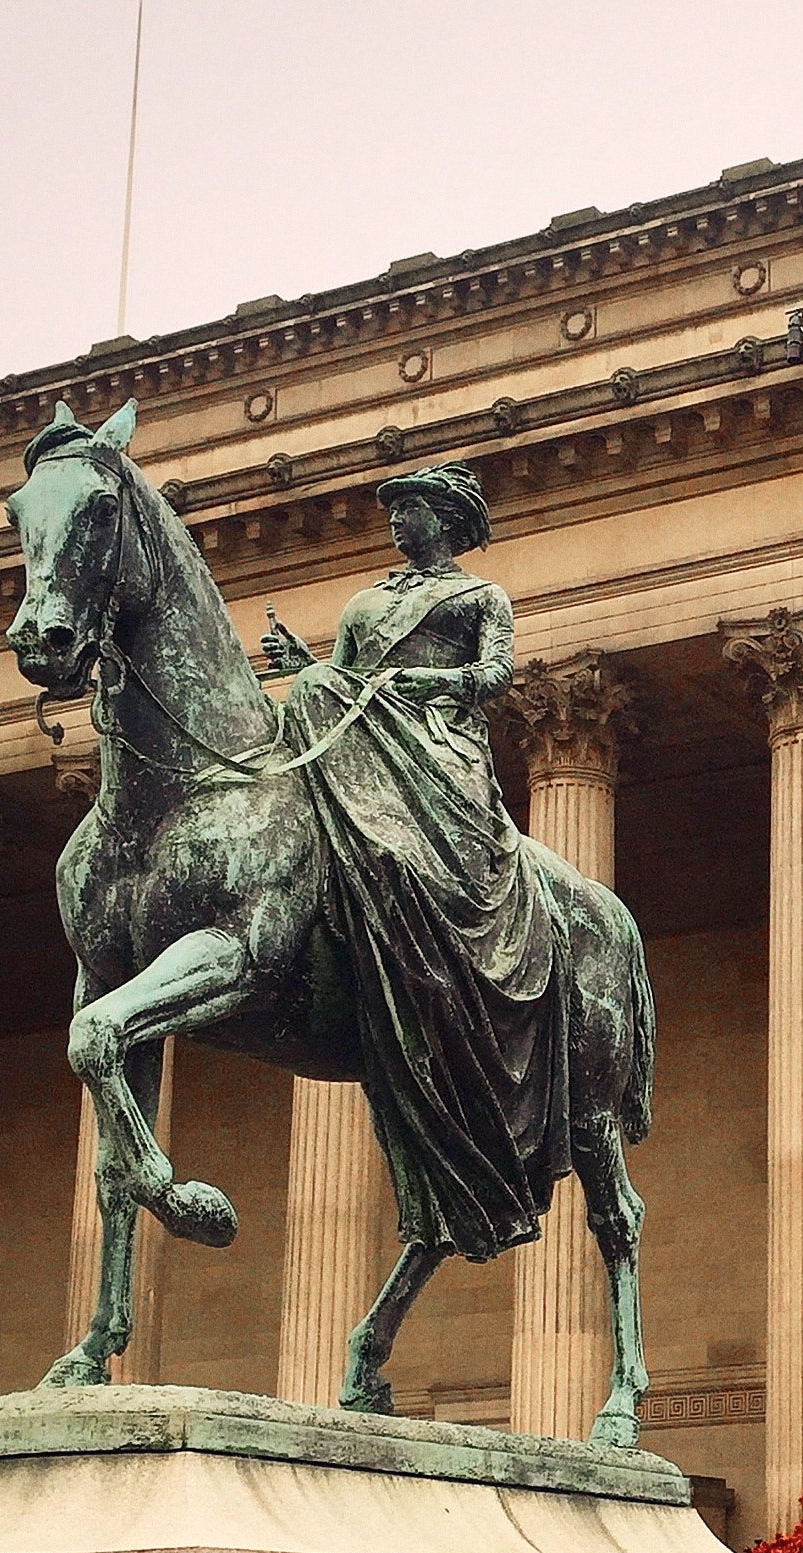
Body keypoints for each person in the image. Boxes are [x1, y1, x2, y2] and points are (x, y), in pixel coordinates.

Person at [261, 463, 570, 1262]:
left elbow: (493, 678)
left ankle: (449, 952)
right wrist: (310, 664)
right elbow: (344, 679)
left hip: (438, 746)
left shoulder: (478, 599)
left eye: (412, 512)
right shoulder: (365, 602)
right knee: (302, 729)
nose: (399, 524)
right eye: (393, 513)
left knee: (408, 860)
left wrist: (413, 683)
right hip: (369, 740)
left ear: (445, 519)